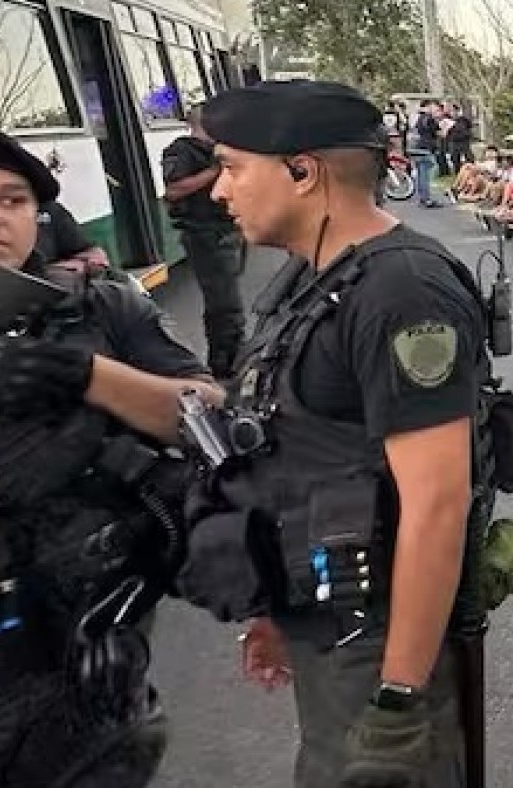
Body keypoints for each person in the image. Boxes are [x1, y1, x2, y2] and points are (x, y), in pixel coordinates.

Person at [0, 113, 212, 787]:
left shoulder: (98, 309)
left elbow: (209, 418)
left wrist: (87, 375)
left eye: (12, 201)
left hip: (91, 681)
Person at [190, 80, 486, 788]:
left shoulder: (400, 291)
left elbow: (438, 504)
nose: (218, 191)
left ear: (302, 170)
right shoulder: (313, 278)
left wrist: (398, 697)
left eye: (232, 166)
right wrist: (275, 608)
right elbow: (297, 451)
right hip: (327, 617)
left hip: (376, 642)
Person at [162, 106, 246, 378]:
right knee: (224, 302)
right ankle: (225, 363)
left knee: (227, 298)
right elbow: (174, 190)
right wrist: (213, 172)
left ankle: (230, 355)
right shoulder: (181, 151)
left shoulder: (217, 151)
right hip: (203, 233)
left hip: (224, 229)